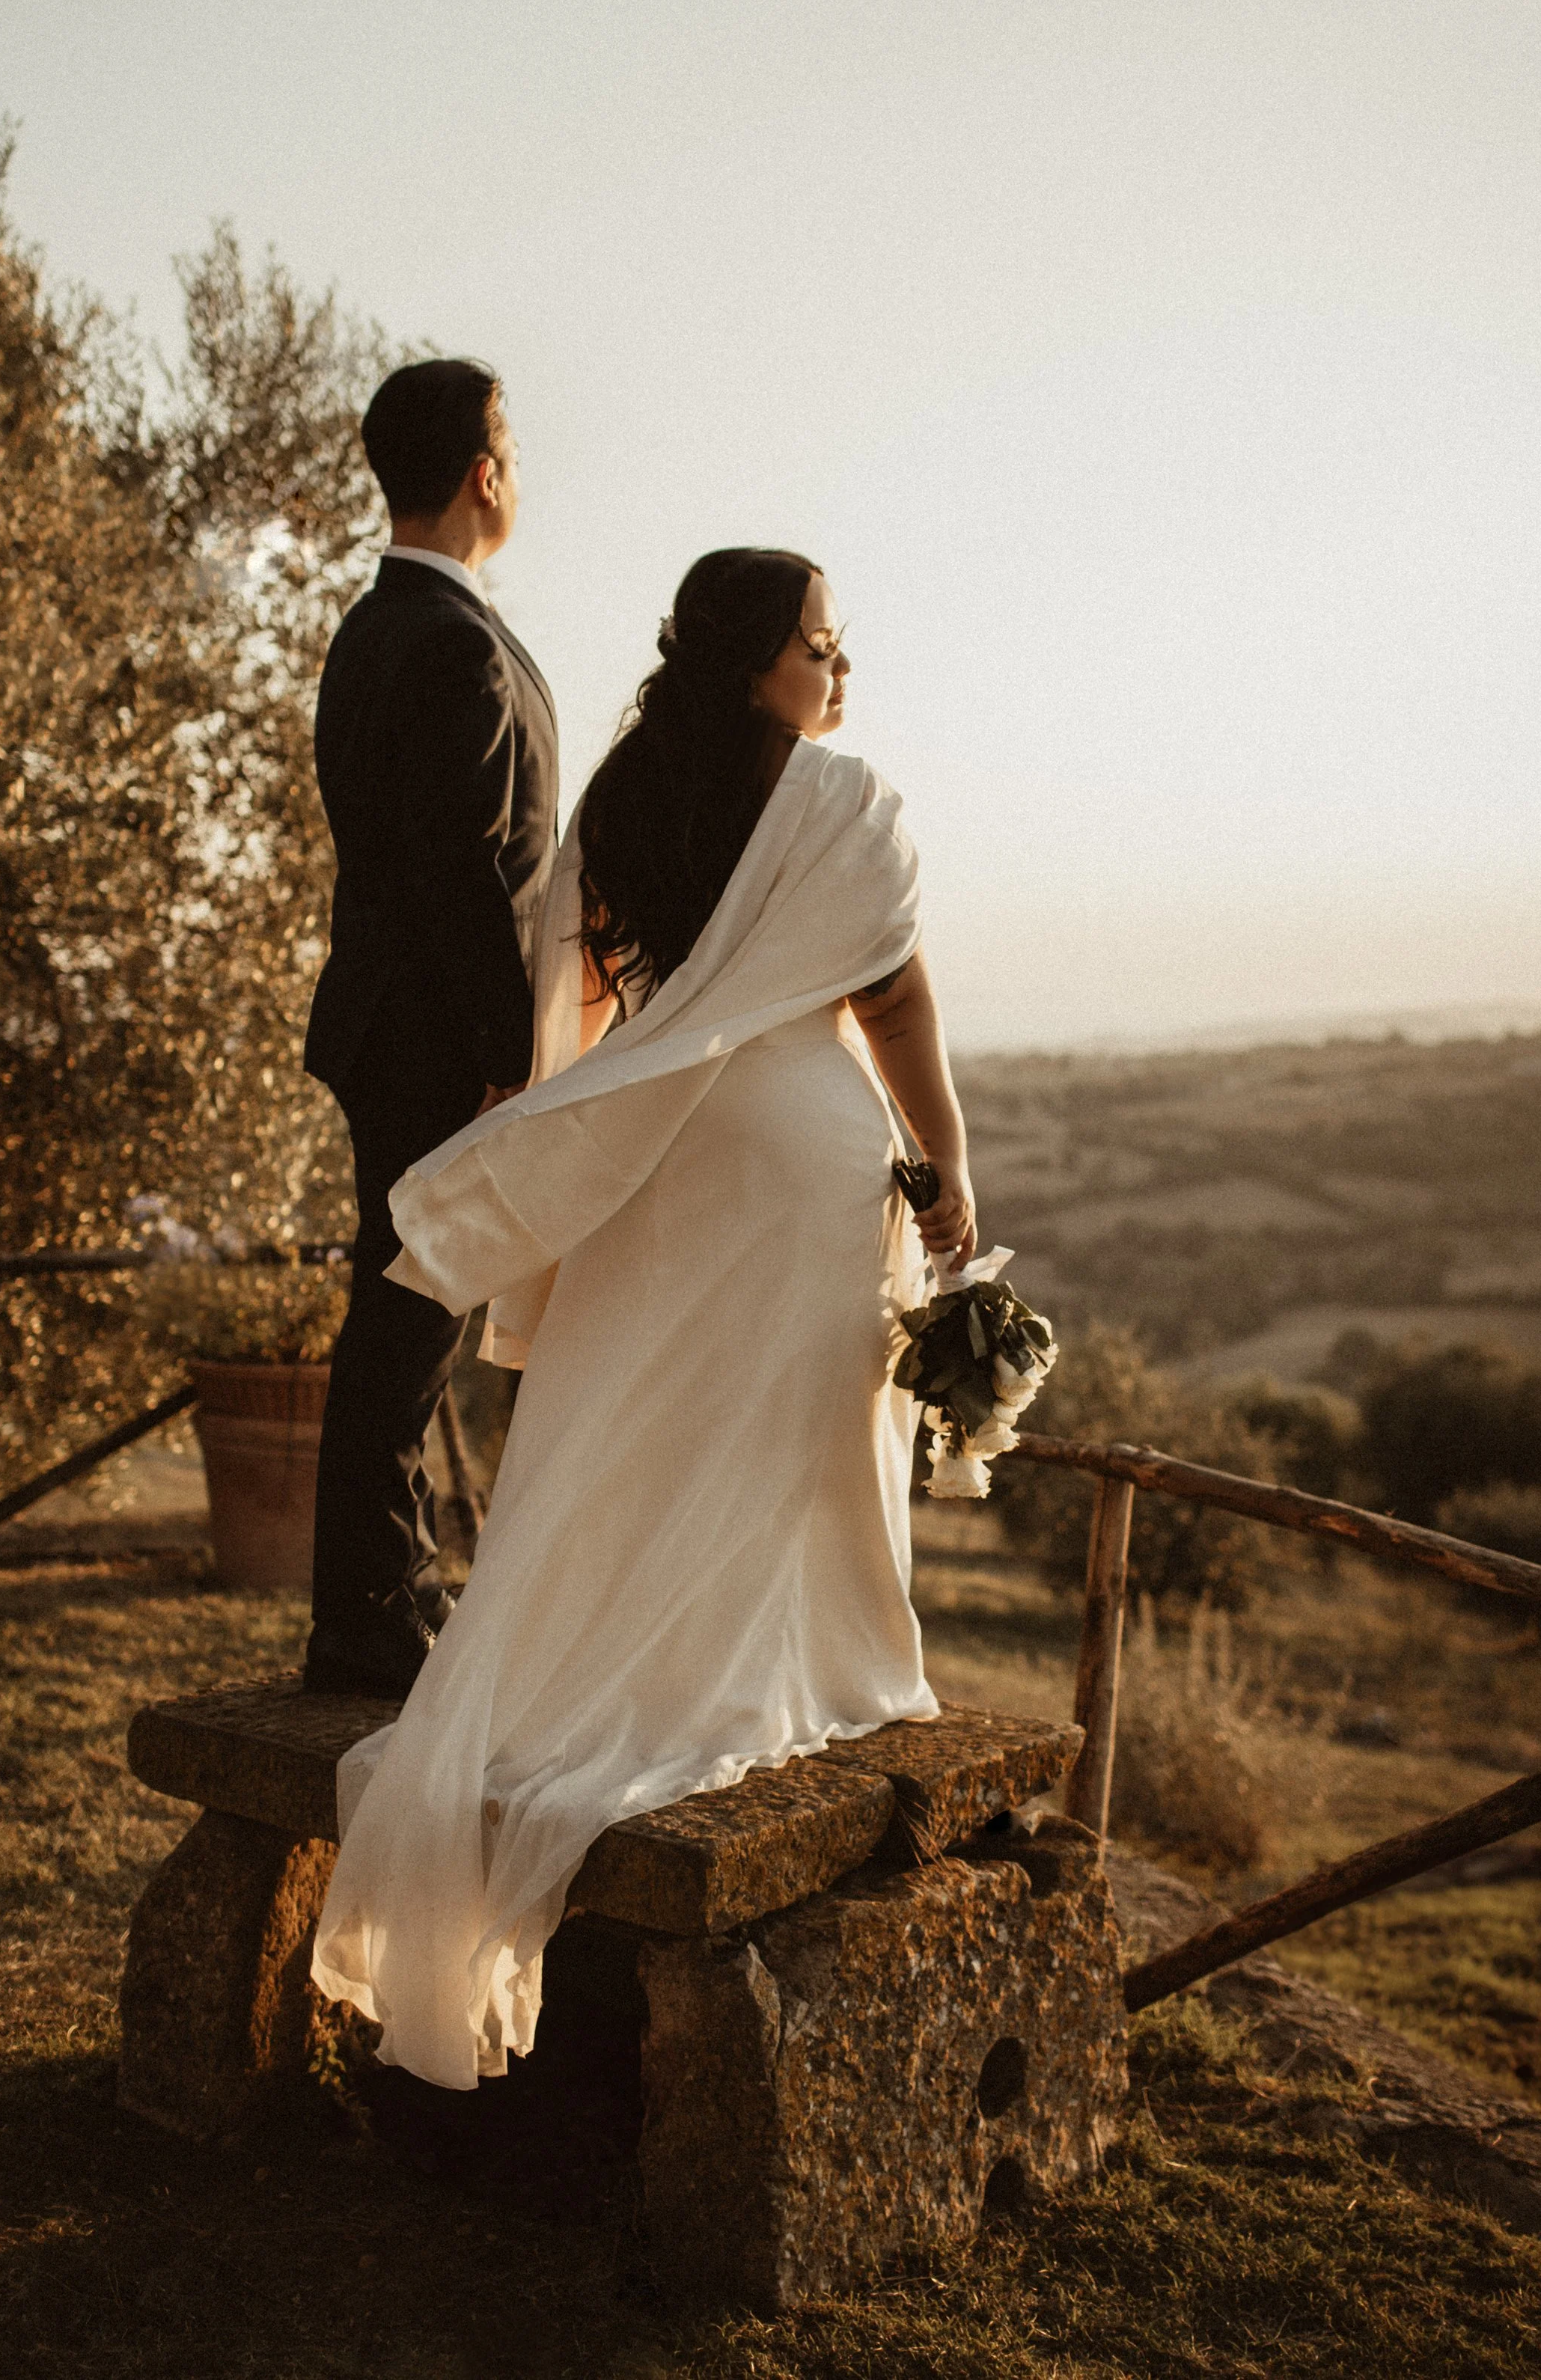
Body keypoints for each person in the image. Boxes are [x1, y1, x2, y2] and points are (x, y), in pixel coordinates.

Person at [311, 548, 977, 2084]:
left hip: (659, 1154)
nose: (839, 671)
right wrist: (944, 1164)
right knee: (801, 1428)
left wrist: (599, 1126)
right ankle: (811, 1659)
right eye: (822, 643)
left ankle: (617, 1668)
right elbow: (894, 1004)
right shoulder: (840, 801)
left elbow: (592, 1011)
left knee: (633, 1429)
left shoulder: (619, 791)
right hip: (805, 1150)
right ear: (759, 662)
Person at [301, 359, 558, 1697]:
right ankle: (365, 1613)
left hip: (389, 1023)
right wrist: (508, 1054)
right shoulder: (452, 641)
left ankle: (381, 1592)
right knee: (408, 1318)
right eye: (513, 446)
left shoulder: (369, 628)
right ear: (483, 473)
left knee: (403, 1312)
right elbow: (462, 872)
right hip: (429, 1037)